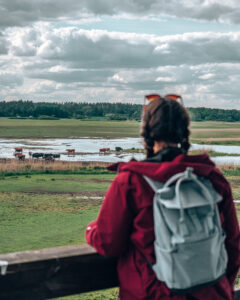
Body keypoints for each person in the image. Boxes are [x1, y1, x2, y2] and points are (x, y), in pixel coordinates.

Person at [86, 95, 240, 300]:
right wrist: (220, 287)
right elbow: (233, 244)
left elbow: (108, 242)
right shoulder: (211, 178)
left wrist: (91, 230)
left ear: (147, 133)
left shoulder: (131, 182)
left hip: (153, 293)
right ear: (184, 131)